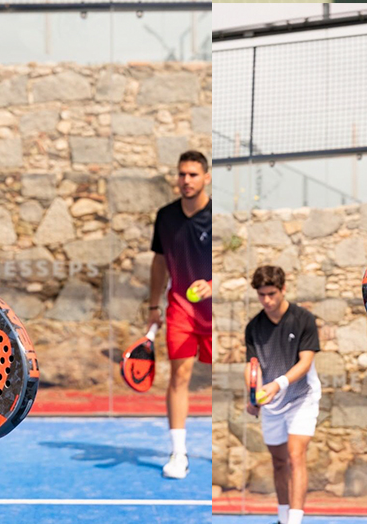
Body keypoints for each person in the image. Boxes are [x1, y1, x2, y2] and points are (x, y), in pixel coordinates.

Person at [147, 150, 212, 479]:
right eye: (182, 174)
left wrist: (214, 285)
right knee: (179, 378)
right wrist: (152, 306)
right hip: (180, 311)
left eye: (193, 175)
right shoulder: (166, 216)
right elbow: (158, 262)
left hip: (216, 315)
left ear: (206, 178)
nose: (186, 180)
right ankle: (179, 453)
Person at [245, 266, 321, 524]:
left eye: (271, 293)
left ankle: (295, 521)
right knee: (278, 462)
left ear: (283, 289)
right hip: (271, 403)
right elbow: (252, 366)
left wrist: (277, 384)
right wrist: (253, 397)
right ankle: (281, 517)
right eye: (261, 295)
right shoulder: (254, 327)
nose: (267, 300)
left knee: (294, 455)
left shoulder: (304, 319)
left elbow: (305, 362)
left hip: (302, 398)